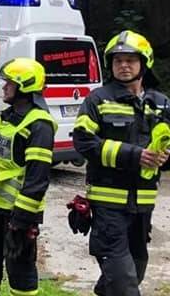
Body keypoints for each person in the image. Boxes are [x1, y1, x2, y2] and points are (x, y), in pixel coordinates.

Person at [73, 30, 170, 296]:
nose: (123, 65)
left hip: (142, 208)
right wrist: (135, 155)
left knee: (133, 273)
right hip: (108, 209)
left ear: (143, 63)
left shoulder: (161, 105)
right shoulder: (98, 100)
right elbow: (83, 142)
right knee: (125, 285)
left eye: (130, 60)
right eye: (118, 61)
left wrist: (165, 156)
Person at [0, 58, 56, 296]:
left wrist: (21, 220)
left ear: (24, 87)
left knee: (20, 269)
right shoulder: (6, 116)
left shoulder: (39, 125)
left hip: (19, 213)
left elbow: (37, 179)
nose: (4, 87)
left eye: (9, 83)